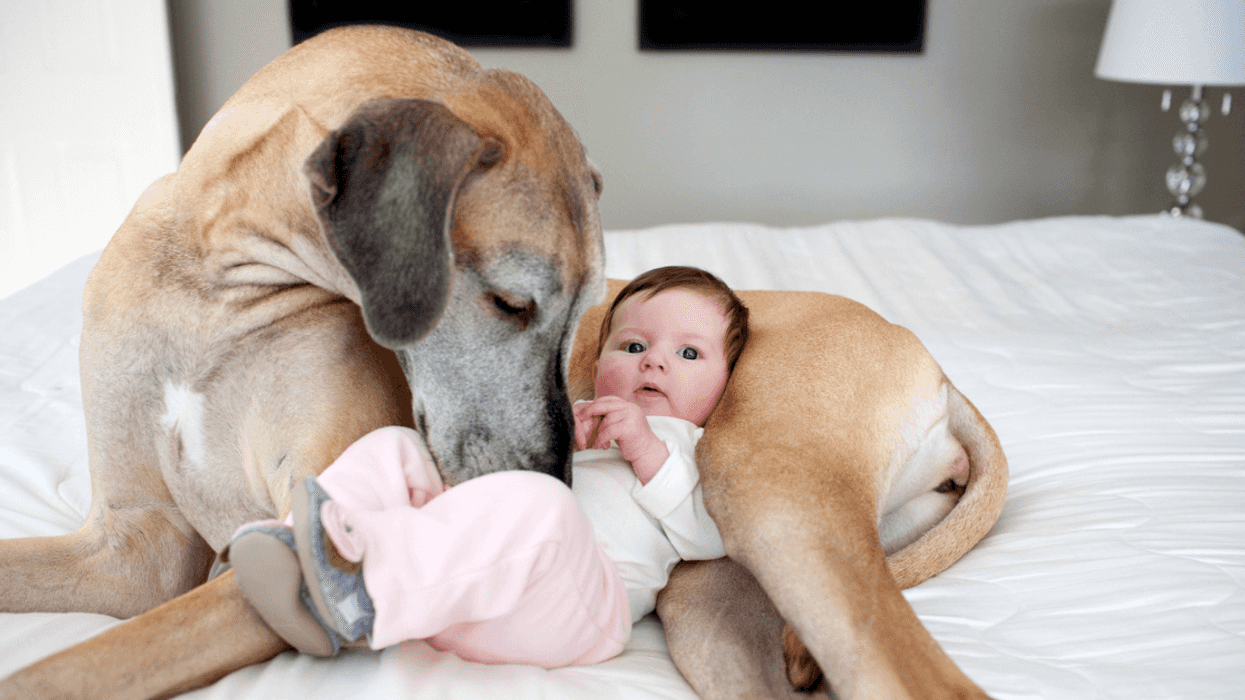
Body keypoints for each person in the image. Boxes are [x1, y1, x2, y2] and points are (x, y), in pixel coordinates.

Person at [225, 265, 750, 667]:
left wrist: (649, 453)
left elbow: (709, 536)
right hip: (467, 595)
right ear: (596, 367)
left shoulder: (692, 445)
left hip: (580, 611)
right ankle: (298, 551)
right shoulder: (569, 415)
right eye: (634, 346)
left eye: (688, 355)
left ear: (726, 381)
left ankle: (363, 590)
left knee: (548, 508)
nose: (654, 361)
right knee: (399, 447)